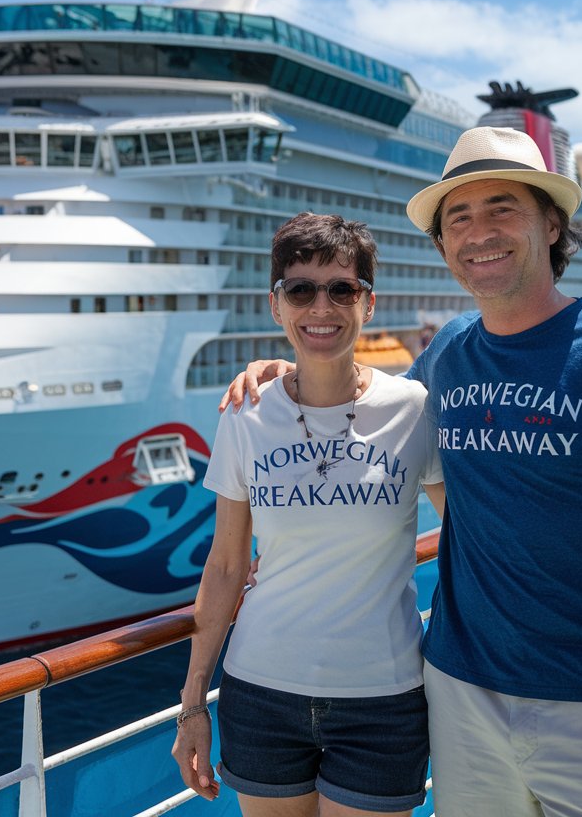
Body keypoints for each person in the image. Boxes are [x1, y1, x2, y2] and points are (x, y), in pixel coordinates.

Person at [221, 127, 582, 817]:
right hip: (460, 691)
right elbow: (366, 402)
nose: (478, 231)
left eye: (502, 208)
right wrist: (289, 372)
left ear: (552, 224)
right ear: (442, 246)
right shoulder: (452, 351)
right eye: (458, 217)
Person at [173, 211, 444, 816]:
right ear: (277, 306)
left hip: (384, 697)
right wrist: (193, 702)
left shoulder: (413, 408)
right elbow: (223, 567)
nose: (321, 307)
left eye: (341, 289)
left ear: (367, 304)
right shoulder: (244, 413)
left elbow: (469, 538)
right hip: (261, 692)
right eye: (301, 290)